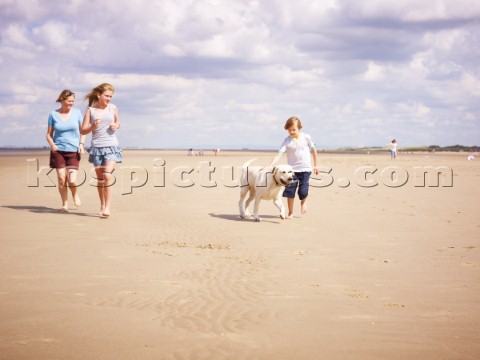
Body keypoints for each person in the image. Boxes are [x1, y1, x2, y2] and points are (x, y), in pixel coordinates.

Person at [81, 83, 122, 217]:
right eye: (106, 96)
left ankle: (108, 208)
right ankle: (102, 205)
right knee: (100, 179)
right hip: (97, 148)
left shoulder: (113, 108)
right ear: (99, 95)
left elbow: (118, 122)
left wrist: (115, 125)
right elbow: (83, 130)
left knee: (107, 176)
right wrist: (93, 126)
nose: (109, 98)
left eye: (111, 96)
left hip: (111, 146)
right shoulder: (90, 111)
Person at [268, 116, 319, 219]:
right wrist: (270, 165)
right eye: (289, 130)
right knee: (290, 192)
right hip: (291, 172)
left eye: (293, 129)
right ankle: (290, 212)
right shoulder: (286, 141)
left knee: (303, 191)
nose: (291, 132)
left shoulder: (306, 137)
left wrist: (316, 165)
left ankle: (303, 202)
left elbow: (314, 149)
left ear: (299, 128)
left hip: (305, 170)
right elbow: (279, 154)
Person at [46, 89, 86, 213]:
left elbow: (83, 131)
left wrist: (81, 144)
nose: (71, 104)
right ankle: (65, 205)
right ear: (62, 100)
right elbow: (48, 134)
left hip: (73, 150)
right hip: (58, 151)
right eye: (69, 101)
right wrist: (52, 144)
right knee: (61, 179)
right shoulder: (53, 114)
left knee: (72, 180)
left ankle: (75, 194)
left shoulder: (77, 113)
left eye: (73, 101)